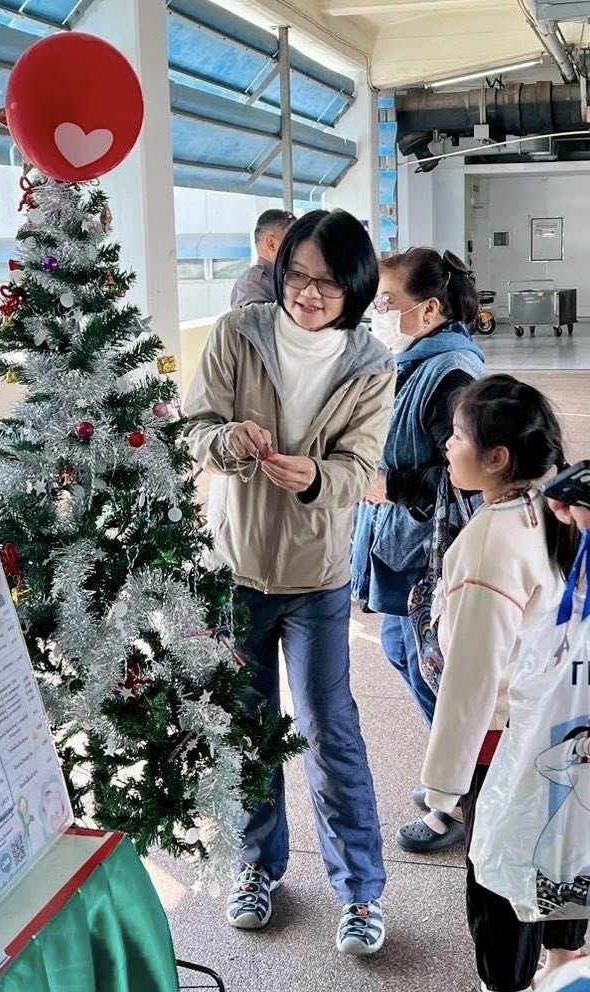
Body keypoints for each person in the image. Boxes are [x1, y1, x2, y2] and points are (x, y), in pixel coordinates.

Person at [184, 209, 396, 955]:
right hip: (236, 569)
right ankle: (256, 865)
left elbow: (361, 468)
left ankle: (360, 890)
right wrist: (226, 440)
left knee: (328, 729)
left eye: (328, 283)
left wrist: (315, 477)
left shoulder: (372, 365)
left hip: (317, 578)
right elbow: (193, 426)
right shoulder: (236, 334)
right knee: (248, 729)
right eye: (297, 275)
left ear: (355, 288)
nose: (308, 293)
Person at [420, 375, 586, 992]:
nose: (447, 446)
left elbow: (473, 676)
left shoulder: (490, 543)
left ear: (497, 458)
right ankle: (566, 962)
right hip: (564, 724)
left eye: (458, 436)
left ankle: (506, 982)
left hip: (502, 740)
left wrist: (443, 784)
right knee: (560, 844)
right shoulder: (557, 511)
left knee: (499, 869)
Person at [351, 247, 485, 853]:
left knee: (431, 666)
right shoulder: (416, 360)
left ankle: (459, 795)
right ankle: (453, 773)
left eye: (386, 302)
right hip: (401, 543)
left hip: (426, 549)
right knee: (403, 650)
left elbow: (471, 472)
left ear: (429, 310)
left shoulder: (451, 376)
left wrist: (395, 486)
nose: (376, 311)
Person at [230, 209, 296, 308]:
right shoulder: (251, 284)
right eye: (293, 241)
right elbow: (257, 318)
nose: (300, 247)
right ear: (271, 244)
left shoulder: (281, 276)